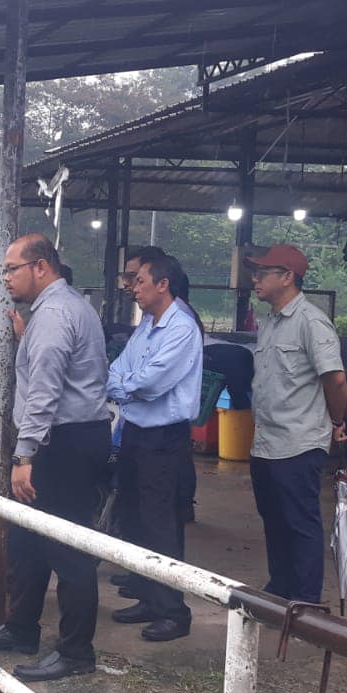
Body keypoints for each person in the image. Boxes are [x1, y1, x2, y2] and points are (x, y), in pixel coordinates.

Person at [0, 233, 110, 681]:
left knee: (67, 546)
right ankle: (21, 627)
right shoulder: (52, 312)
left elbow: (45, 391)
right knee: (28, 541)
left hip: (63, 442)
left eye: (11, 268)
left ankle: (75, 652)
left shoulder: (56, 314)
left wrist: (24, 453)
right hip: (62, 437)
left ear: (41, 267)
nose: (4, 278)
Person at [106, 251, 202, 643]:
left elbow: (151, 382)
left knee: (161, 522)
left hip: (164, 438)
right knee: (133, 515)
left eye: (140, 281)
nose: (133, 288)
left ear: (163, 284)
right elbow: (118, 367)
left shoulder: (182, 327)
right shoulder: (147, 324)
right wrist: (125, 385)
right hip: (135, 430)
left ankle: (173, 612)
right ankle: (147, 594)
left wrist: (125, 387)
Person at [247, 243, 347, 604]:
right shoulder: (269, 322)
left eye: (263, 273)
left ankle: (306, 600)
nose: (255, 279)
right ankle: (281, 587)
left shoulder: (311, 322)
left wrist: (337, 420)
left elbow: (335, 379)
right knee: (273, 519)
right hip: (266, 442)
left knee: (300, 522)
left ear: (288, 277)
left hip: (299, 442)